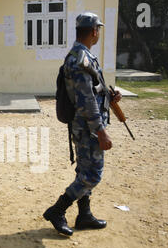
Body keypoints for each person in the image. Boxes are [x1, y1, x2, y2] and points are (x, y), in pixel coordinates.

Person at [43, 12, 122, 236]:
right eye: (99, 30)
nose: (98, 33)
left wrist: (109, 97)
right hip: (87, 128)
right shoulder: (79, 59)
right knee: (92, 175)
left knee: (83, 171)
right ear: (94, 31)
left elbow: (92, 92)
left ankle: (84, 215)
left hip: (86, 126)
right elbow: (85, 100)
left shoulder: (84, 55)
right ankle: (57, 210)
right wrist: (101, 131)